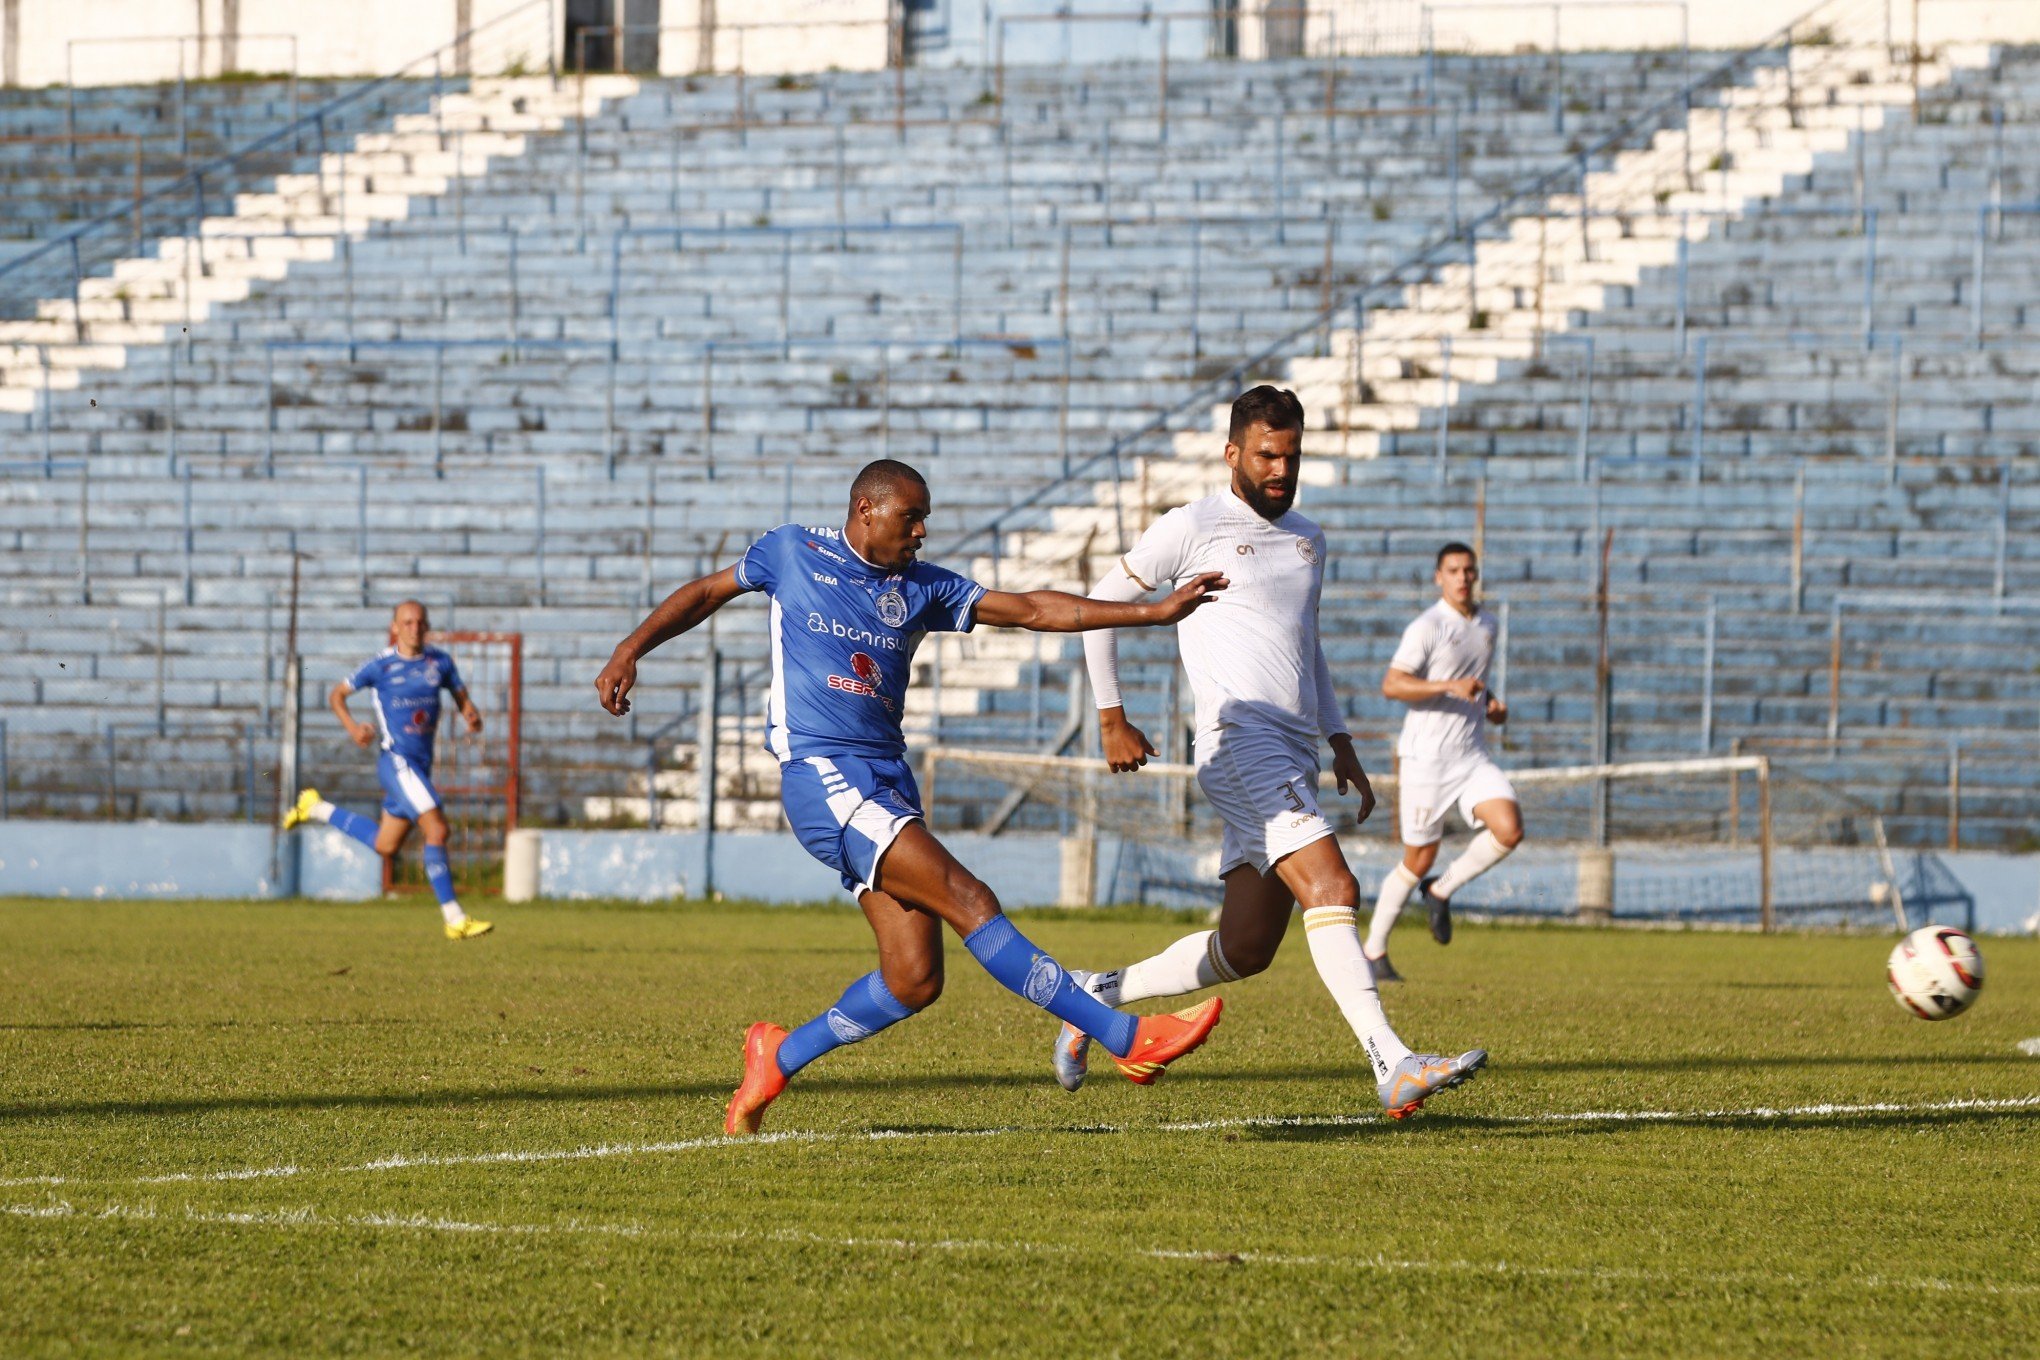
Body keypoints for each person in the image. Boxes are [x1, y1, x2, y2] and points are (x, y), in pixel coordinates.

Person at [594, 458, 1233, 1137]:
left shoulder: (921, 587)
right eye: (912, 516)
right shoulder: (791, 551)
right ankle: (1125, 1037)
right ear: (866, 510)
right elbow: (704, 593)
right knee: (971, 899)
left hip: (886, 781)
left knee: (914, 978)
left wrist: (1154, 613)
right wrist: (633, 646)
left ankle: (776, 1058)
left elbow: (1032, 608)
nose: (923, 531)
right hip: (824, 777)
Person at [1052, 387, 1486, 1119]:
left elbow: (1306, 650)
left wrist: (1341, 740)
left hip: (1293, 752)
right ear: (1232, 454)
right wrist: (1110, 717)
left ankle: (1093, 996)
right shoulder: (1191, 525)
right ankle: (1393, 1062)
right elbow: (1097, 604)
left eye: (1291, 455)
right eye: (1266, 455)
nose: (1281, 469)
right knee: (1334, 888)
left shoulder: (1309, 539)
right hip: (1236, 743)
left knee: (1246, 948)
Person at [282, 599, 492, 940]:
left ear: (427, 625)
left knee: (385, 845)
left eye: (420, 622)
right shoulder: (380, 666)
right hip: (396, 762)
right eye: (407, 622)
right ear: (395, 627)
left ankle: (316, 808)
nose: (414, 628)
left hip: (420, 767)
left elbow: (460, 695)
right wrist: (353, 728)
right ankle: (455, 918)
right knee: (437, 830)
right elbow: (337, 694)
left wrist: (470, 712)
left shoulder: (440, 662)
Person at [1363, 542, 1525, 981]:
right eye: (1453, 570)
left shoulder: (1488, 623)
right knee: (1418, 857)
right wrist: (1447, 686)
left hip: (1472, 755)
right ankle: (1373, 952)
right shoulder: (1428, 626)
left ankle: (1440, 889)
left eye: (1469, 570)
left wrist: (1494, 706)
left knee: (1510, 829)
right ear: (1439, 576)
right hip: (1426, 759)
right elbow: (1393, 685)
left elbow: (1476, 685)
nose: (1462, 578)